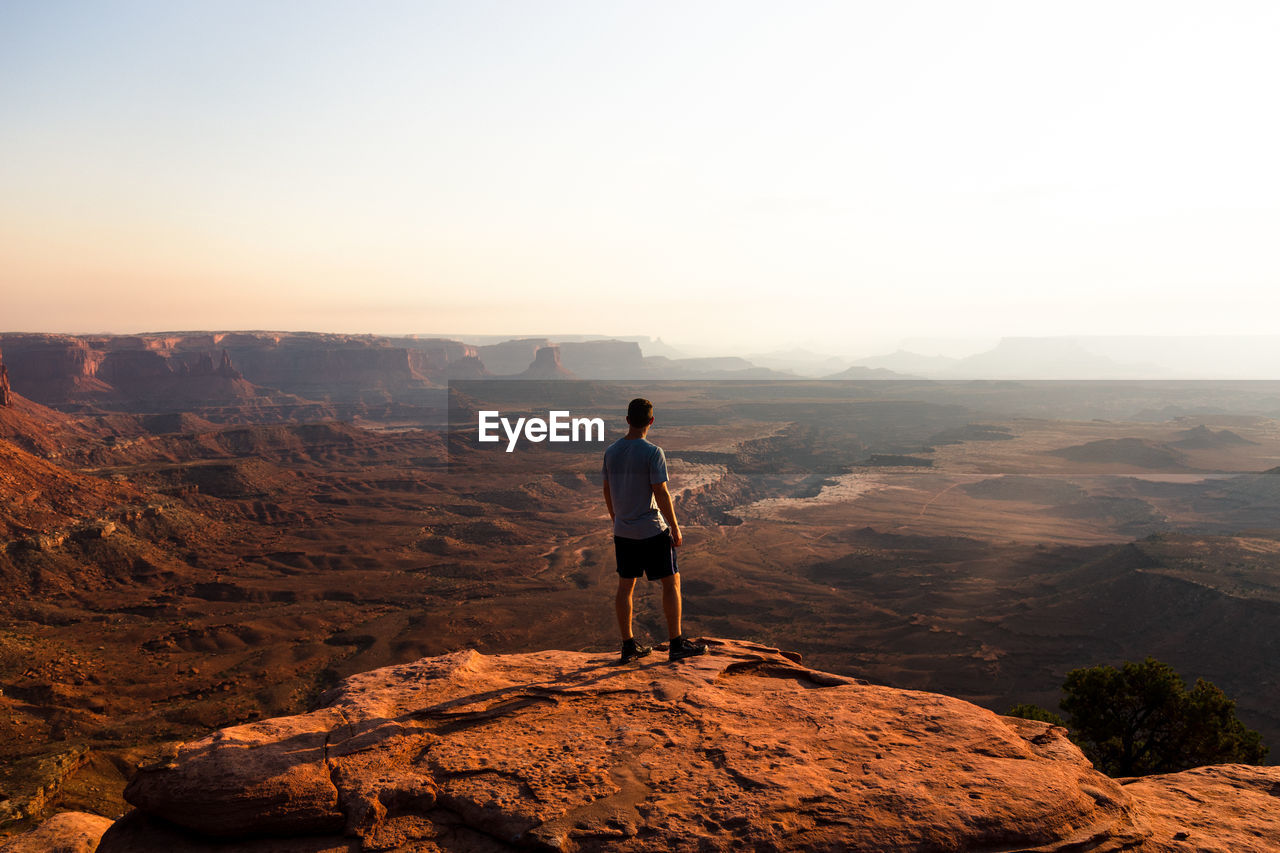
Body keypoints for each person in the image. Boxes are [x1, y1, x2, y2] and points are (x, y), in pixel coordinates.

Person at [602, 397, 707, 663]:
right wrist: (674, 526)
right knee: (671, 582)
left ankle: (628, 646)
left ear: (627, 420)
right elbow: (661, 491)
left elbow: (607, 489)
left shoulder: (611, 452)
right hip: (651, 530)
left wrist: (617, 519)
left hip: (623, 532)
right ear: (651, 421)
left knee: (625, 587)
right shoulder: (653, 452)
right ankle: (676, 644)